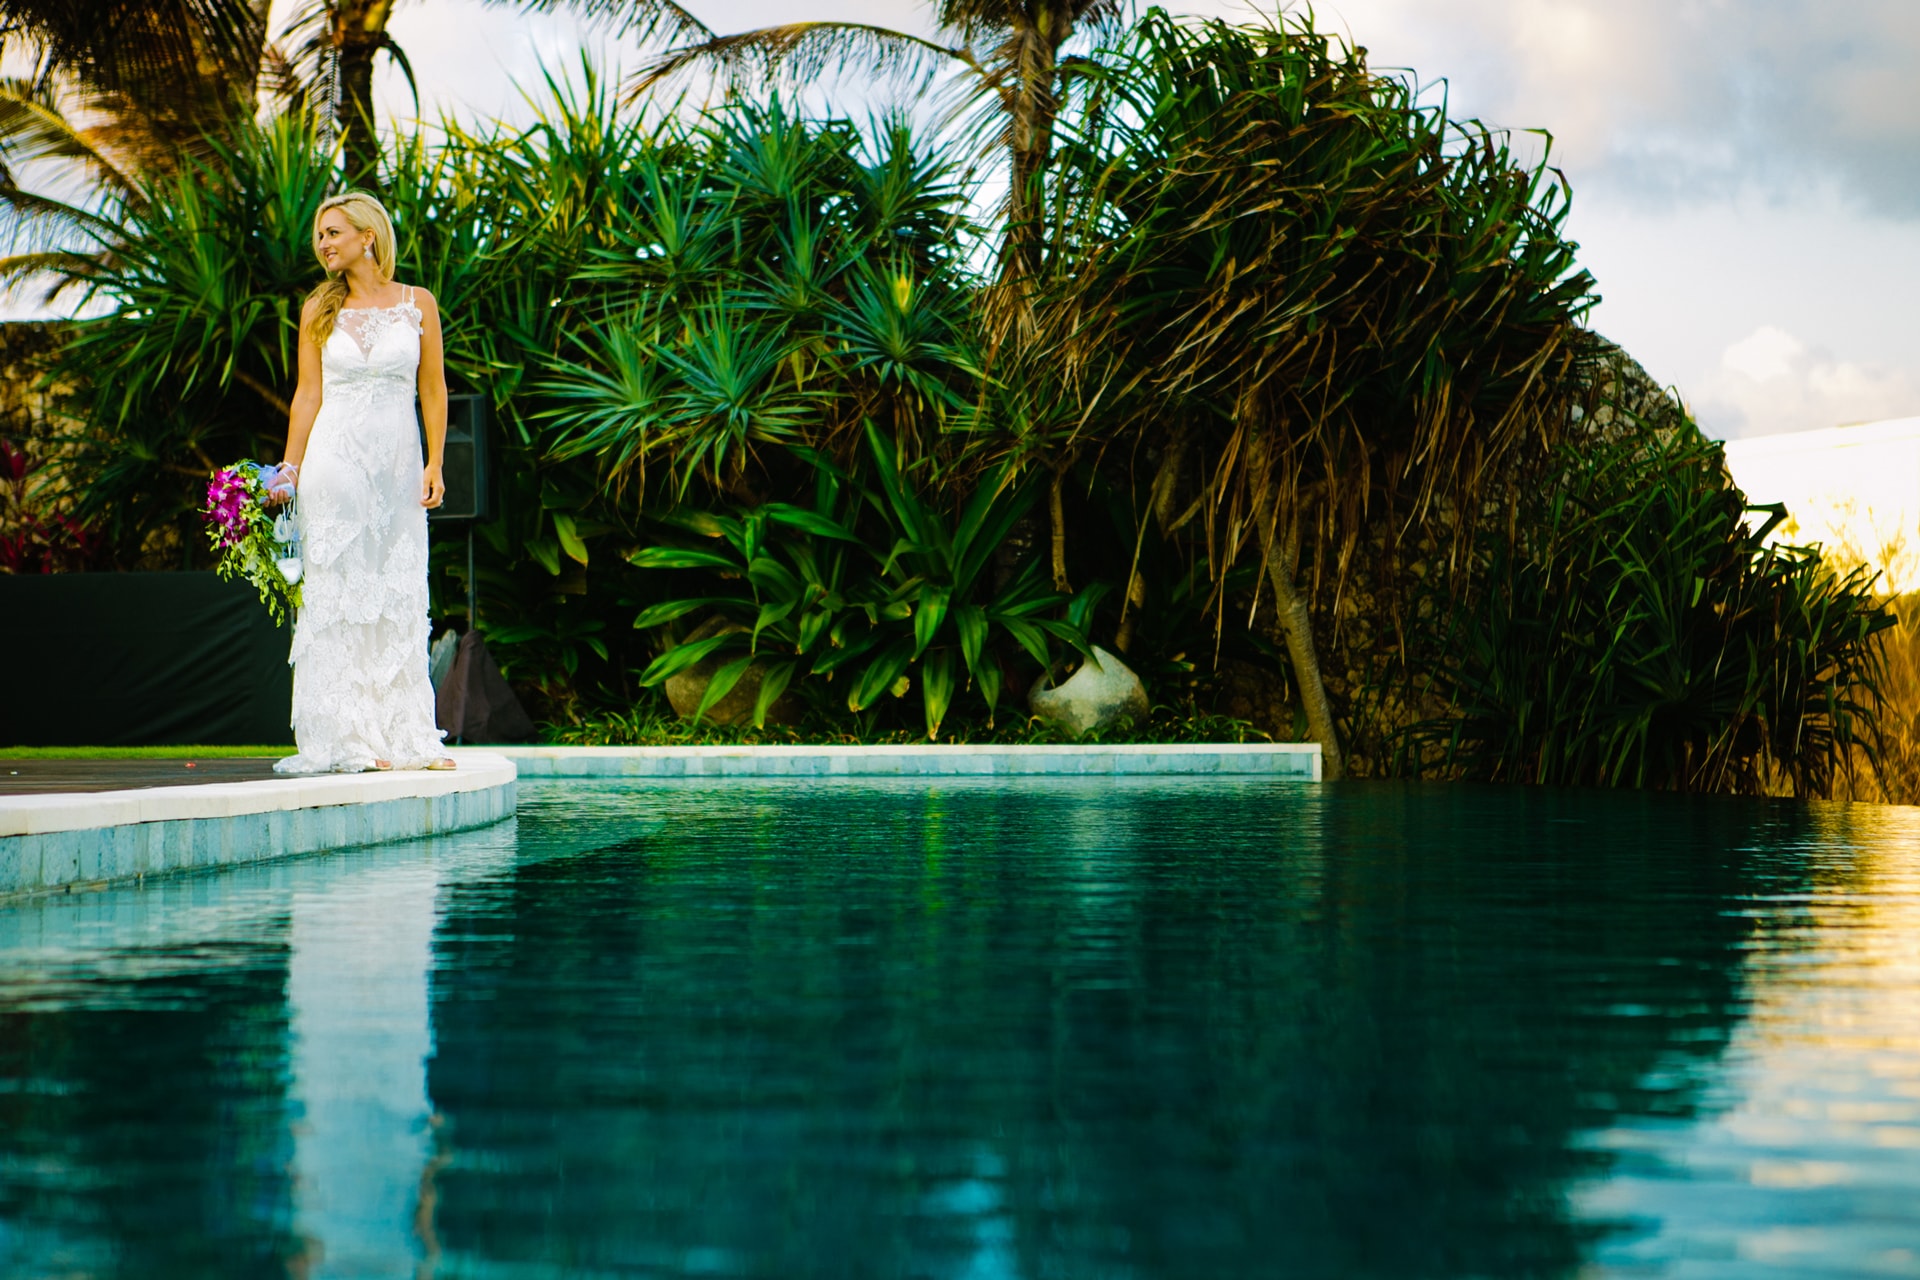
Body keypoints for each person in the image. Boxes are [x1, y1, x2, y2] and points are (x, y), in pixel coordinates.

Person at [267, 191, 456, 773]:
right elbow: (308, 394)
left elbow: (433, 390)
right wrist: (289, 470)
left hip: (398, 469)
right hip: (335, 466)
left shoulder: (416, 303)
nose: (322, 244)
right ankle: (345, 740)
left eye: (332, 232)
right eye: (320, 236)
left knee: (397, 596)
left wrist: (435, 463)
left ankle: (407, 738)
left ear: (367, 236)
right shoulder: (318, 308)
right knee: (338, 598)